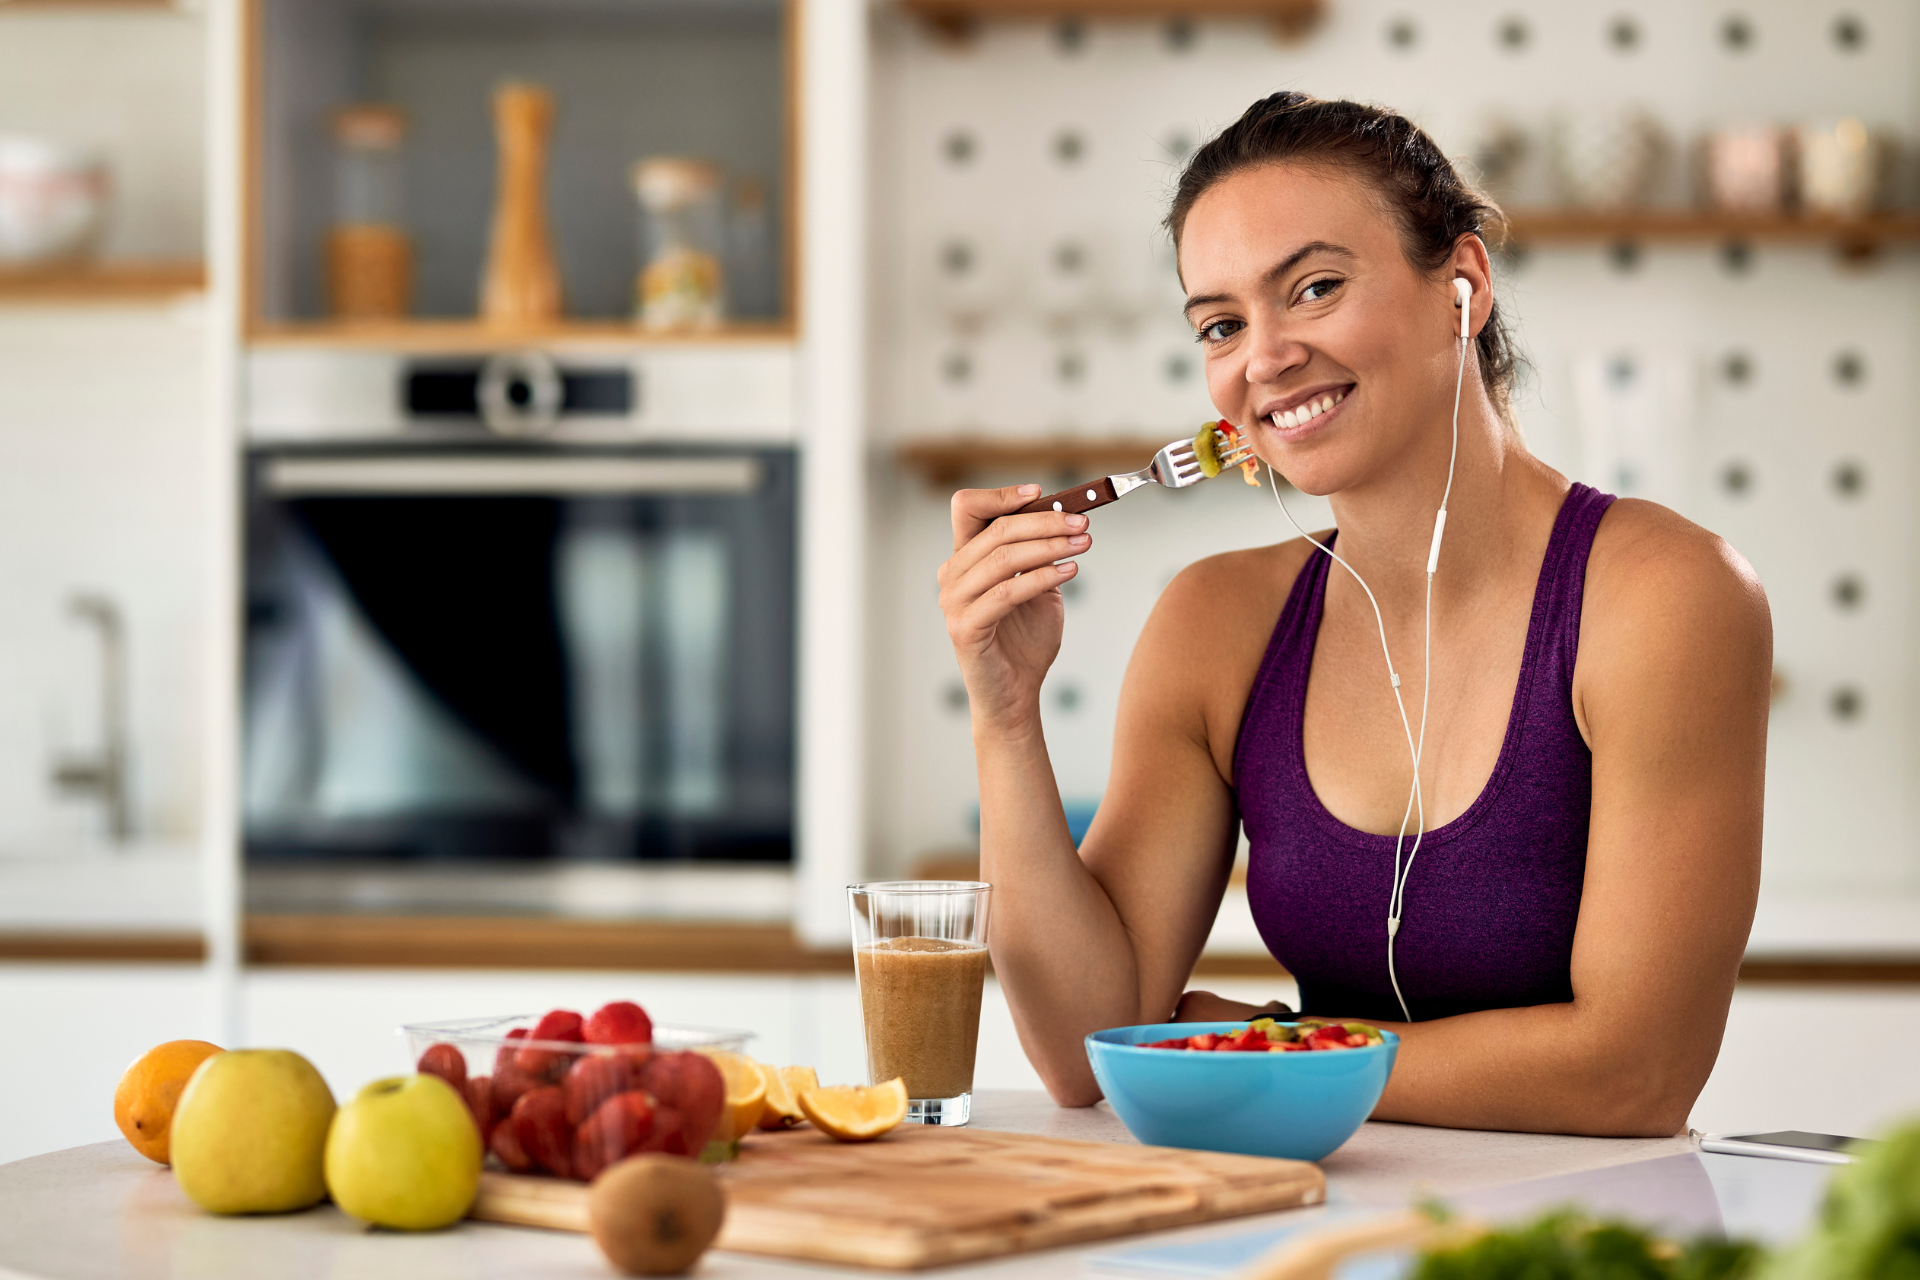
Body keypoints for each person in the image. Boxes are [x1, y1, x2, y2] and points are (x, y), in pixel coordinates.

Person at [936, 93, 1771, 1137]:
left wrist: (1259, 1043)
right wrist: (1003, 712)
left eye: (1316, 287)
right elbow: (1085, 1047)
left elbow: (1636, 1073)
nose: (1265, 356)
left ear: (1461, 284)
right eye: (1223, 325)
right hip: (1319, 1224)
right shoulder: (1217, 621)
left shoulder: (1662, 594)